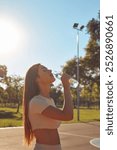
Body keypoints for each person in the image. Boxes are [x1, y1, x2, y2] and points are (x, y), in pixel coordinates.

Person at [23, 63, 73, 150]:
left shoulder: (50, 100)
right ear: (37, 79)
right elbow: (67, 115)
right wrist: (66, 88)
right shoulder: (36, 101)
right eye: (44, 70)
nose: (50, 70)